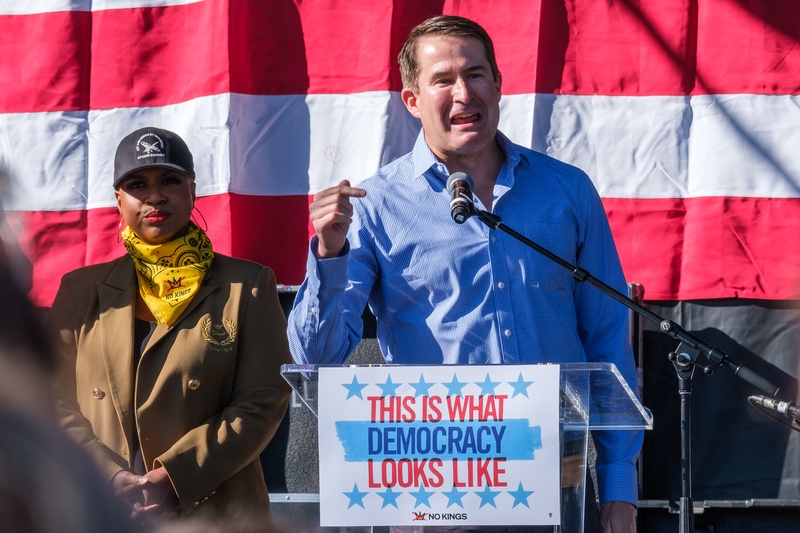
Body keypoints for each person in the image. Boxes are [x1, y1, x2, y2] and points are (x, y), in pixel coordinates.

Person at [287, 15, 642, 533]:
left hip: (556, 480)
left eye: (475, 74)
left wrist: (618, 491)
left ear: (498, 84)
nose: (463, 93)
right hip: (432, 479)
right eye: (443, 80)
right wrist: (329, 251)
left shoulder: (566, 191)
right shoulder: (375, 205)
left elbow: (608, 337)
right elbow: (315, 358)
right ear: (412, 101)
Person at [47, 127, 293, 528]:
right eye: (137, 184)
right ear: (118, 200)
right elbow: (49, 398)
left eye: (170, 181)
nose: (155, 196)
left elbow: (263, 399)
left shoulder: (246, 285)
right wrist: (108, 478)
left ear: (192, 190)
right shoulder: (80, 290)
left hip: (214, 511)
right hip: (103, 509)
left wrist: (176, 477)